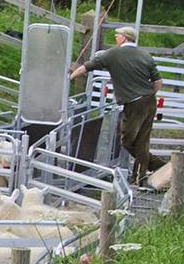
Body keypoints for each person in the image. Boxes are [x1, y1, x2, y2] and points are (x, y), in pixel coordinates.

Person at [69, 25, 166, 184]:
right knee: (142, 140)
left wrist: (71, 76)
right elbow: (158, 81)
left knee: (127, 140)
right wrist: (149, 95)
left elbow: (87, 67)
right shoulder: (145, 55)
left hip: (134, 103)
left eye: (117, 35)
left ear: (125, 38)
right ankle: (139, 176)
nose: (116, 38)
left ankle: (161, 165)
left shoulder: (113, 54)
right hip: (149, 101)